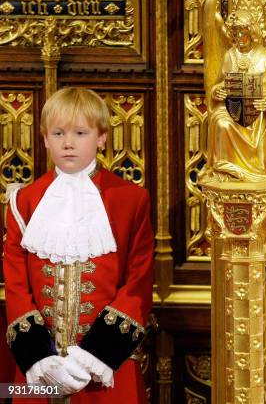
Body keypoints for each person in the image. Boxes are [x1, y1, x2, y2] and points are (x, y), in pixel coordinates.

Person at [3, 87, 154, 403]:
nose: (68, 143)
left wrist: (94, 356)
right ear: (45, 139)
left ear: (101, 138)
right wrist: (38, 357)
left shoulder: (130, 200)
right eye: (58, 133)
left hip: (106, 370)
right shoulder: (23, 202)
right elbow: (16, 284)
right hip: (39, 373)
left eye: (80, 133)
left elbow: (138, 282)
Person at [204, 9, 266, 182]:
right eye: (235, 33)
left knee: (254, 120)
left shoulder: (264, 56)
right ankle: (226, 168)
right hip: (232, 109)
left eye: (242, 32)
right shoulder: (230, 55)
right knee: (220, 122)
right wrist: (216, 91)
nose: (238, 38)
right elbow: (220, 83)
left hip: (256, 114)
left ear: (251, 32)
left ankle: (257, 167)